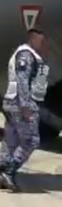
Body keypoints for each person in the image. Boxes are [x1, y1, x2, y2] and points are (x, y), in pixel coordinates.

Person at [0, 29, 49, 192]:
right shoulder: (26, 55)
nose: (42, 45)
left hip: (12, 102)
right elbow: (22, 81)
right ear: (32, 39)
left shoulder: (25, 54)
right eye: (40, 41)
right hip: (20, 104)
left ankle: (2, 172)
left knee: (11, 141)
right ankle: (9, 171)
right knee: (31, 140)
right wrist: (26, 106)